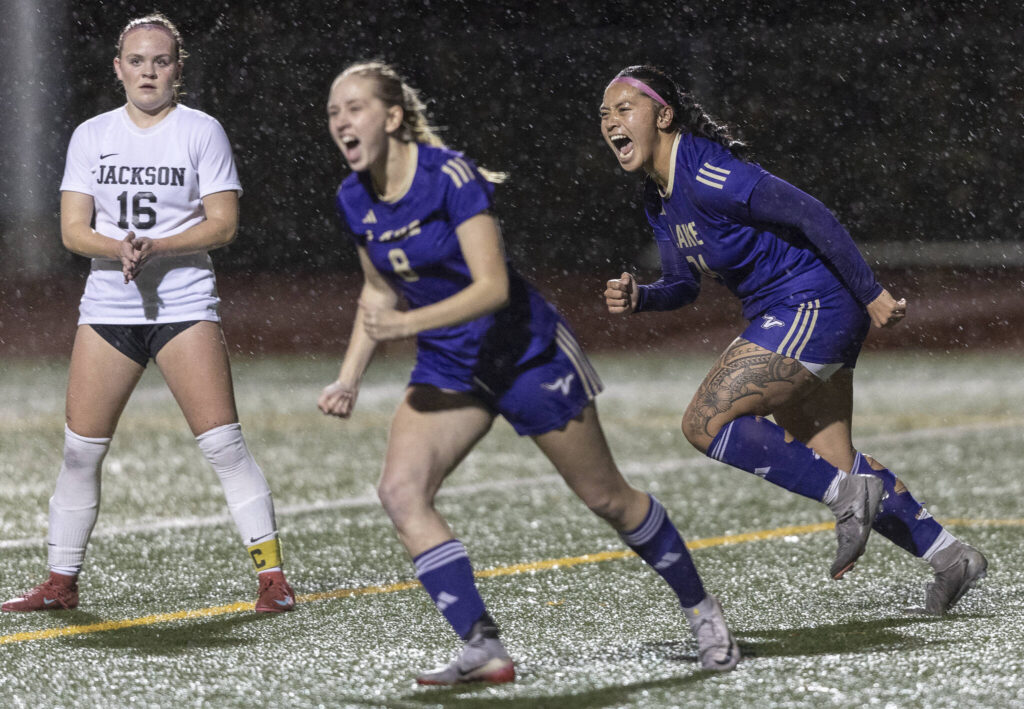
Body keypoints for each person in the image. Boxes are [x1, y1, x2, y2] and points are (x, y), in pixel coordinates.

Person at [318, 60, 740, 685]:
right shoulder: (353, 196)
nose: (341, 122)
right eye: (333, 113)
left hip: (526, 355)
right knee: (401, 493)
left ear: (394, 117)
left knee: (608, 499)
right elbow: (377, 292)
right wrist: (350, 375)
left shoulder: (450, 178)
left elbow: (491, 288)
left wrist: (408, 326)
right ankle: (482, 645)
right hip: (452, 365)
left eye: (354, 108)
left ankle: (703, 613)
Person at [599, 64, 987, 615]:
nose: (612, 122)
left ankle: (845, 496)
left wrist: (871, 292)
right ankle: (951, 557)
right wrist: (643, 297)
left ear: (663, 115)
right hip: (793, 310)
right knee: (833, 457)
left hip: (812, 303)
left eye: (624, 108)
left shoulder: (709, 172)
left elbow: (812, 214)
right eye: (604, 114)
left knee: (705, 423)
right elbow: (684, 285)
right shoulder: (658, 196)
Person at [2, 13, 294, 614]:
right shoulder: (91, 135)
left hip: (184, 306)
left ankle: (272, 580)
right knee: (81, 450)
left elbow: (224, 223)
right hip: (109, 308)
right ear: (118, 68)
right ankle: (60, 582)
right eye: (136, 60)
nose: (148, 71)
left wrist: (157, 245)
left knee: (223, 446)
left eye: (160, 61)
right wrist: (118, 248)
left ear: (177, 69)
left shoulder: (201, 131)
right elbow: (72, 230)